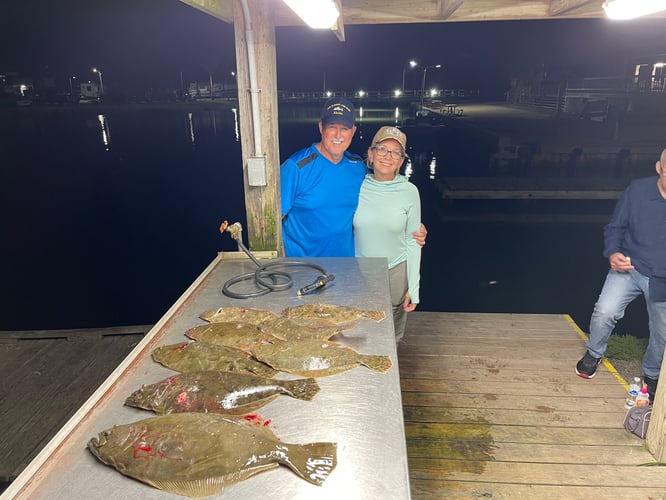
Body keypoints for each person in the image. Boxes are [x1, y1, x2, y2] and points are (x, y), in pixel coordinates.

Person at [280, 97, 426, 257]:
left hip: (348, 270)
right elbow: (271, 222)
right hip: (303, 271)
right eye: (332, 127)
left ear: (353, 131)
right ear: (321, 128)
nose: (338, 134)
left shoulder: (357, 167)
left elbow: (383, 192)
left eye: (344, 128)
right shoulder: (296, 167)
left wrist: (410, 224)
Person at [576, 148, 666, 403]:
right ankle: (593, 354)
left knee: (662, 333)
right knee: (605, 311)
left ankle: (651, 374)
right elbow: (616, 226)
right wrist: (613, 251)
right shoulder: (637, 191)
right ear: (659, 168)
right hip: (628, 266)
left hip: (663, 279)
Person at [353, 126, 421, 340]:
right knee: (359, 327)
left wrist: (414, 286)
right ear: (371, 155)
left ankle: (390, 369)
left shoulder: (410, 192)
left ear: (401, 161)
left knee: (392, 334)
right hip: (359, 271)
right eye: (382, 149)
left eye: (395, 152)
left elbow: (413, 241)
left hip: (396, 272)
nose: (388, 156)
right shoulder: (355, 185)